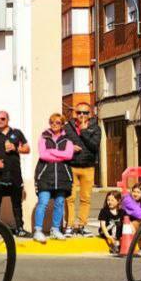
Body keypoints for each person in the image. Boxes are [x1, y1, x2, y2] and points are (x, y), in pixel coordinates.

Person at [32, 112, 74, 243]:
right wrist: (59, 155)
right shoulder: (44, 137)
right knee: (43, 202)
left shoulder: (67, 140)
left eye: (58, 123)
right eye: (52, 122)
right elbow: (43, 155)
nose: (54, 125)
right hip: (45, 175)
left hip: (62, 176)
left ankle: (55, 229)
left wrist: (52, 152)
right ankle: (38, 231)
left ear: (62, 125)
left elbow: (69, 155)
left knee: (60, 203)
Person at [0, 110, 29, 236]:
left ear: (8, 119)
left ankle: (20, 228)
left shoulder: (16, 133)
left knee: (16, 204)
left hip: (15, 174)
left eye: (2, 119)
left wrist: (16, 148)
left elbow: (27, 148)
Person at [66, 101, 101, 235]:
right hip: (71, 166)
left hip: (88, 167)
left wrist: (84, 131)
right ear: (75, 114)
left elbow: (94, 146)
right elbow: (62, 143)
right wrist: (70, 148)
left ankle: (81, 225)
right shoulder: (67, 127)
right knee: (69, 198)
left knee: (85, 198)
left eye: (85, 112)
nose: (81, 115)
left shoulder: (95, 128)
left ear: (90, 114)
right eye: (78, 112)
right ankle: (69, 225)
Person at [98, 189, 125, 254]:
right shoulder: (104, 211)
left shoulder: (122, 212)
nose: (109, 202)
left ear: (118, 201)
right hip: (106, 231)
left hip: (117, 234)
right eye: (108, 200)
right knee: (114, 224)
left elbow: (126, 223)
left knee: (119, 224)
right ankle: (114, 246)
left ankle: (117, 244)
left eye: (112, 200)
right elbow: (103, 226)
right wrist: (108, 236)